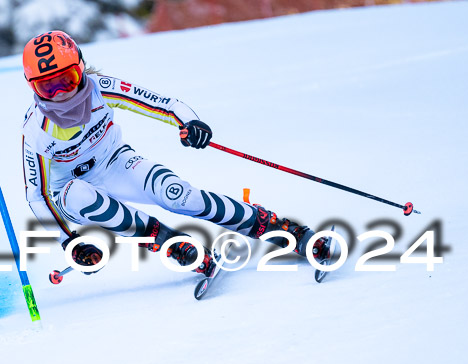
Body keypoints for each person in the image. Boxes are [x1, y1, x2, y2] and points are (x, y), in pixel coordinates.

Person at [21, 31, 329, 276]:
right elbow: (38, 195)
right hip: (70, 194)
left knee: (180, 196)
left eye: (68, 80)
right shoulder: (36, 130)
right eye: (49, 88)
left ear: (82, 69)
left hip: (115, 163)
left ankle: (279, 228)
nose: (61, 95)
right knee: (79, 195)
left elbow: (164, 103)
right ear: (33, 87)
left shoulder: (103, 88)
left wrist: (189, 122)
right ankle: (169, 242)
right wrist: (69, 241)